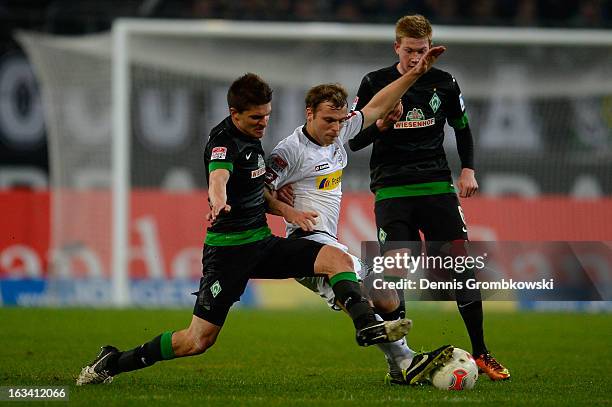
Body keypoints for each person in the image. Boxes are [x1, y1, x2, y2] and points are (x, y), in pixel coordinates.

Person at [75, 58, 444, 386]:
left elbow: (378, 103)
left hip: (263, 243)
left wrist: (413, 73)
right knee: (196, 341)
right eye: (256, 118)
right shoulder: (233, 144)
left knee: (346, 266)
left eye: (267, 116)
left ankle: (381, 340)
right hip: (229, 253)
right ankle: (115, 361)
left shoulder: (307, 136)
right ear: (235, 114)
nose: (264, 124)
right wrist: (226, 202)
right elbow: (218, 176)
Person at [348, 14, 510, 381]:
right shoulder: (376, 82)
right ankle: (401, 362)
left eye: (422, 51)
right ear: (396, 47)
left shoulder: (444, 82)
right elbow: (353, 139)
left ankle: (482, 353)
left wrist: (468, 169)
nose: (416, 59)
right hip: (391, 188)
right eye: (409, 51)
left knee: (461, 266)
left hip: (437, 185)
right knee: (395, 269)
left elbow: (462, 129)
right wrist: (383, 125)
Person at [266, 88, 437, 385]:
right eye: (328, 120)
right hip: (306, 246)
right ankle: (408, 359)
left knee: (385, 294)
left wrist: (415, 75)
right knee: (358, 296)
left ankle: (398, 367)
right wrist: (285, 209)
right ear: (309, 113)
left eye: (340, 121)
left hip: (329, 241)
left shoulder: (339, 133)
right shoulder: (289, 150)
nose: (335, 128)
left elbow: (374, 108)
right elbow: (257, 191)